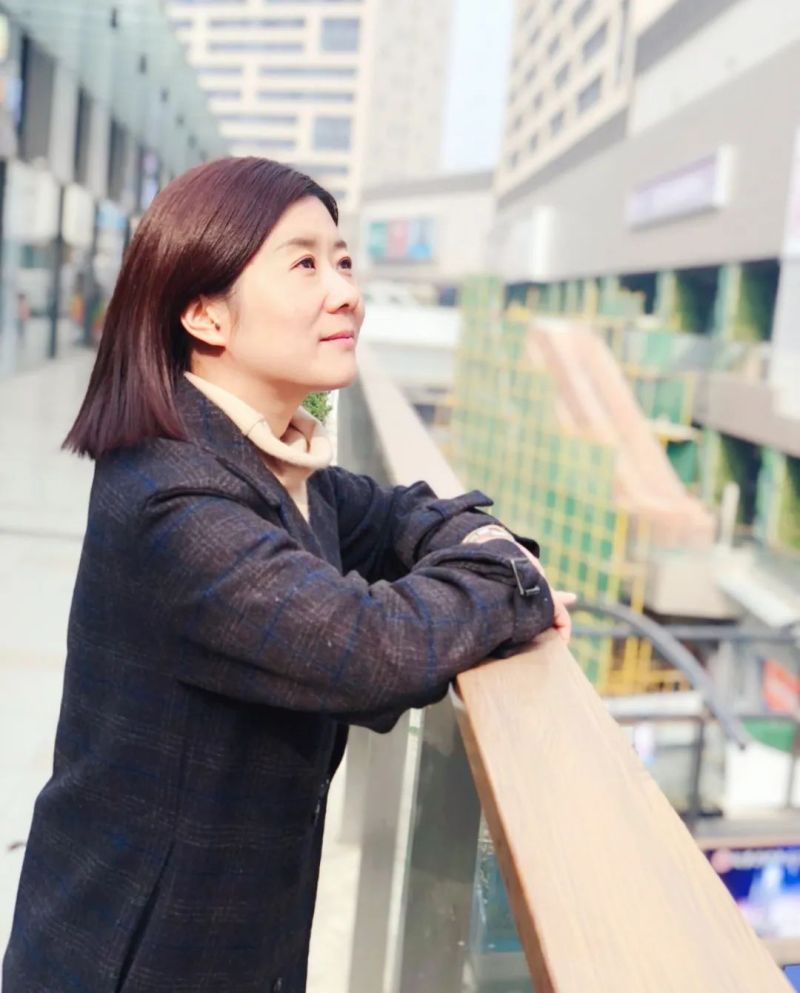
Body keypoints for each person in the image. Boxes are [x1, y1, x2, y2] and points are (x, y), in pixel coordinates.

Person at [2, 157, 574, 993]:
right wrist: (514, 582)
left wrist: (488, 549)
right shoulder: (173, 500)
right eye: (304, 263)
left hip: (230, 939)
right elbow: (376, 650)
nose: (346, 293)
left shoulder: (275, 462)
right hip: (135, 957)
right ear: (205, 313)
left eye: (343, 261)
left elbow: (407, 513)